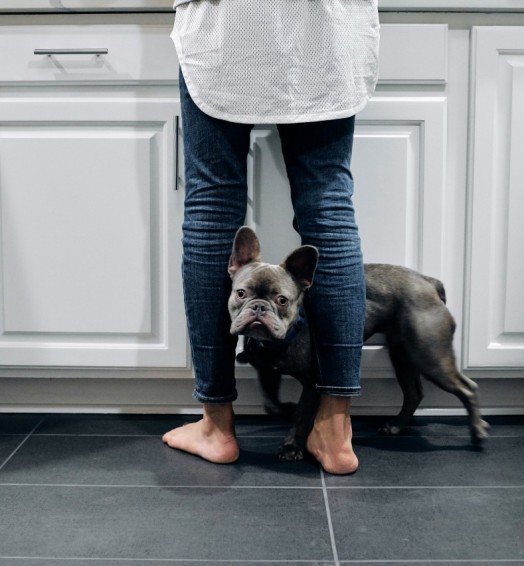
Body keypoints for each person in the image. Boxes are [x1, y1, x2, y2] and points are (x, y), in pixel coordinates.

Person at [162, 0, 380, 475]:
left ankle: (216, 427)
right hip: (325, 23)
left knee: (212, 202)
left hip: (228, 22)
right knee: (328, 202)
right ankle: (335, 432)